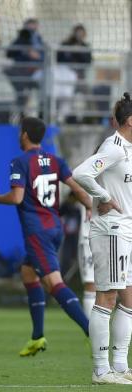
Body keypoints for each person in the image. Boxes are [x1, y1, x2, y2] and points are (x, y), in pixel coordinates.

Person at [0, 117, 92, 357]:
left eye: (19, 131)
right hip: (54, 227)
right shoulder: (56, 161)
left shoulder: (19, 162)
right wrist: (90, 207)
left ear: (24, 134)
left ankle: (92, 332)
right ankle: (37, 337)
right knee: (28, 272)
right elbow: (76, 187)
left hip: (37, 232)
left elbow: (17, 197)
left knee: (55, 284)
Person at [72, 93, 132, 385]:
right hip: (111, 230)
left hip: (127, 231)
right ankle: (100, 369)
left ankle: (120, 366)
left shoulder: (129, 149)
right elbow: (80, 173)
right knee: (106, 296)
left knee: (130, 298)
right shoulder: (115, 148)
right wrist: (104, 197)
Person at [5, 19, 45, 115]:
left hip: (35, 71)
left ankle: (40, 113)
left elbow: (43, 56)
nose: (32, 29)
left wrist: (38, 56)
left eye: (34, 26)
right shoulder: (21, 39)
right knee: (22, 94)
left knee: (41, 91)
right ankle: (20, 115)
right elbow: (9, 53)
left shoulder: (39, 39)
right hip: (21, 71)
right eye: (29, 26)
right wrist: (26, 50)